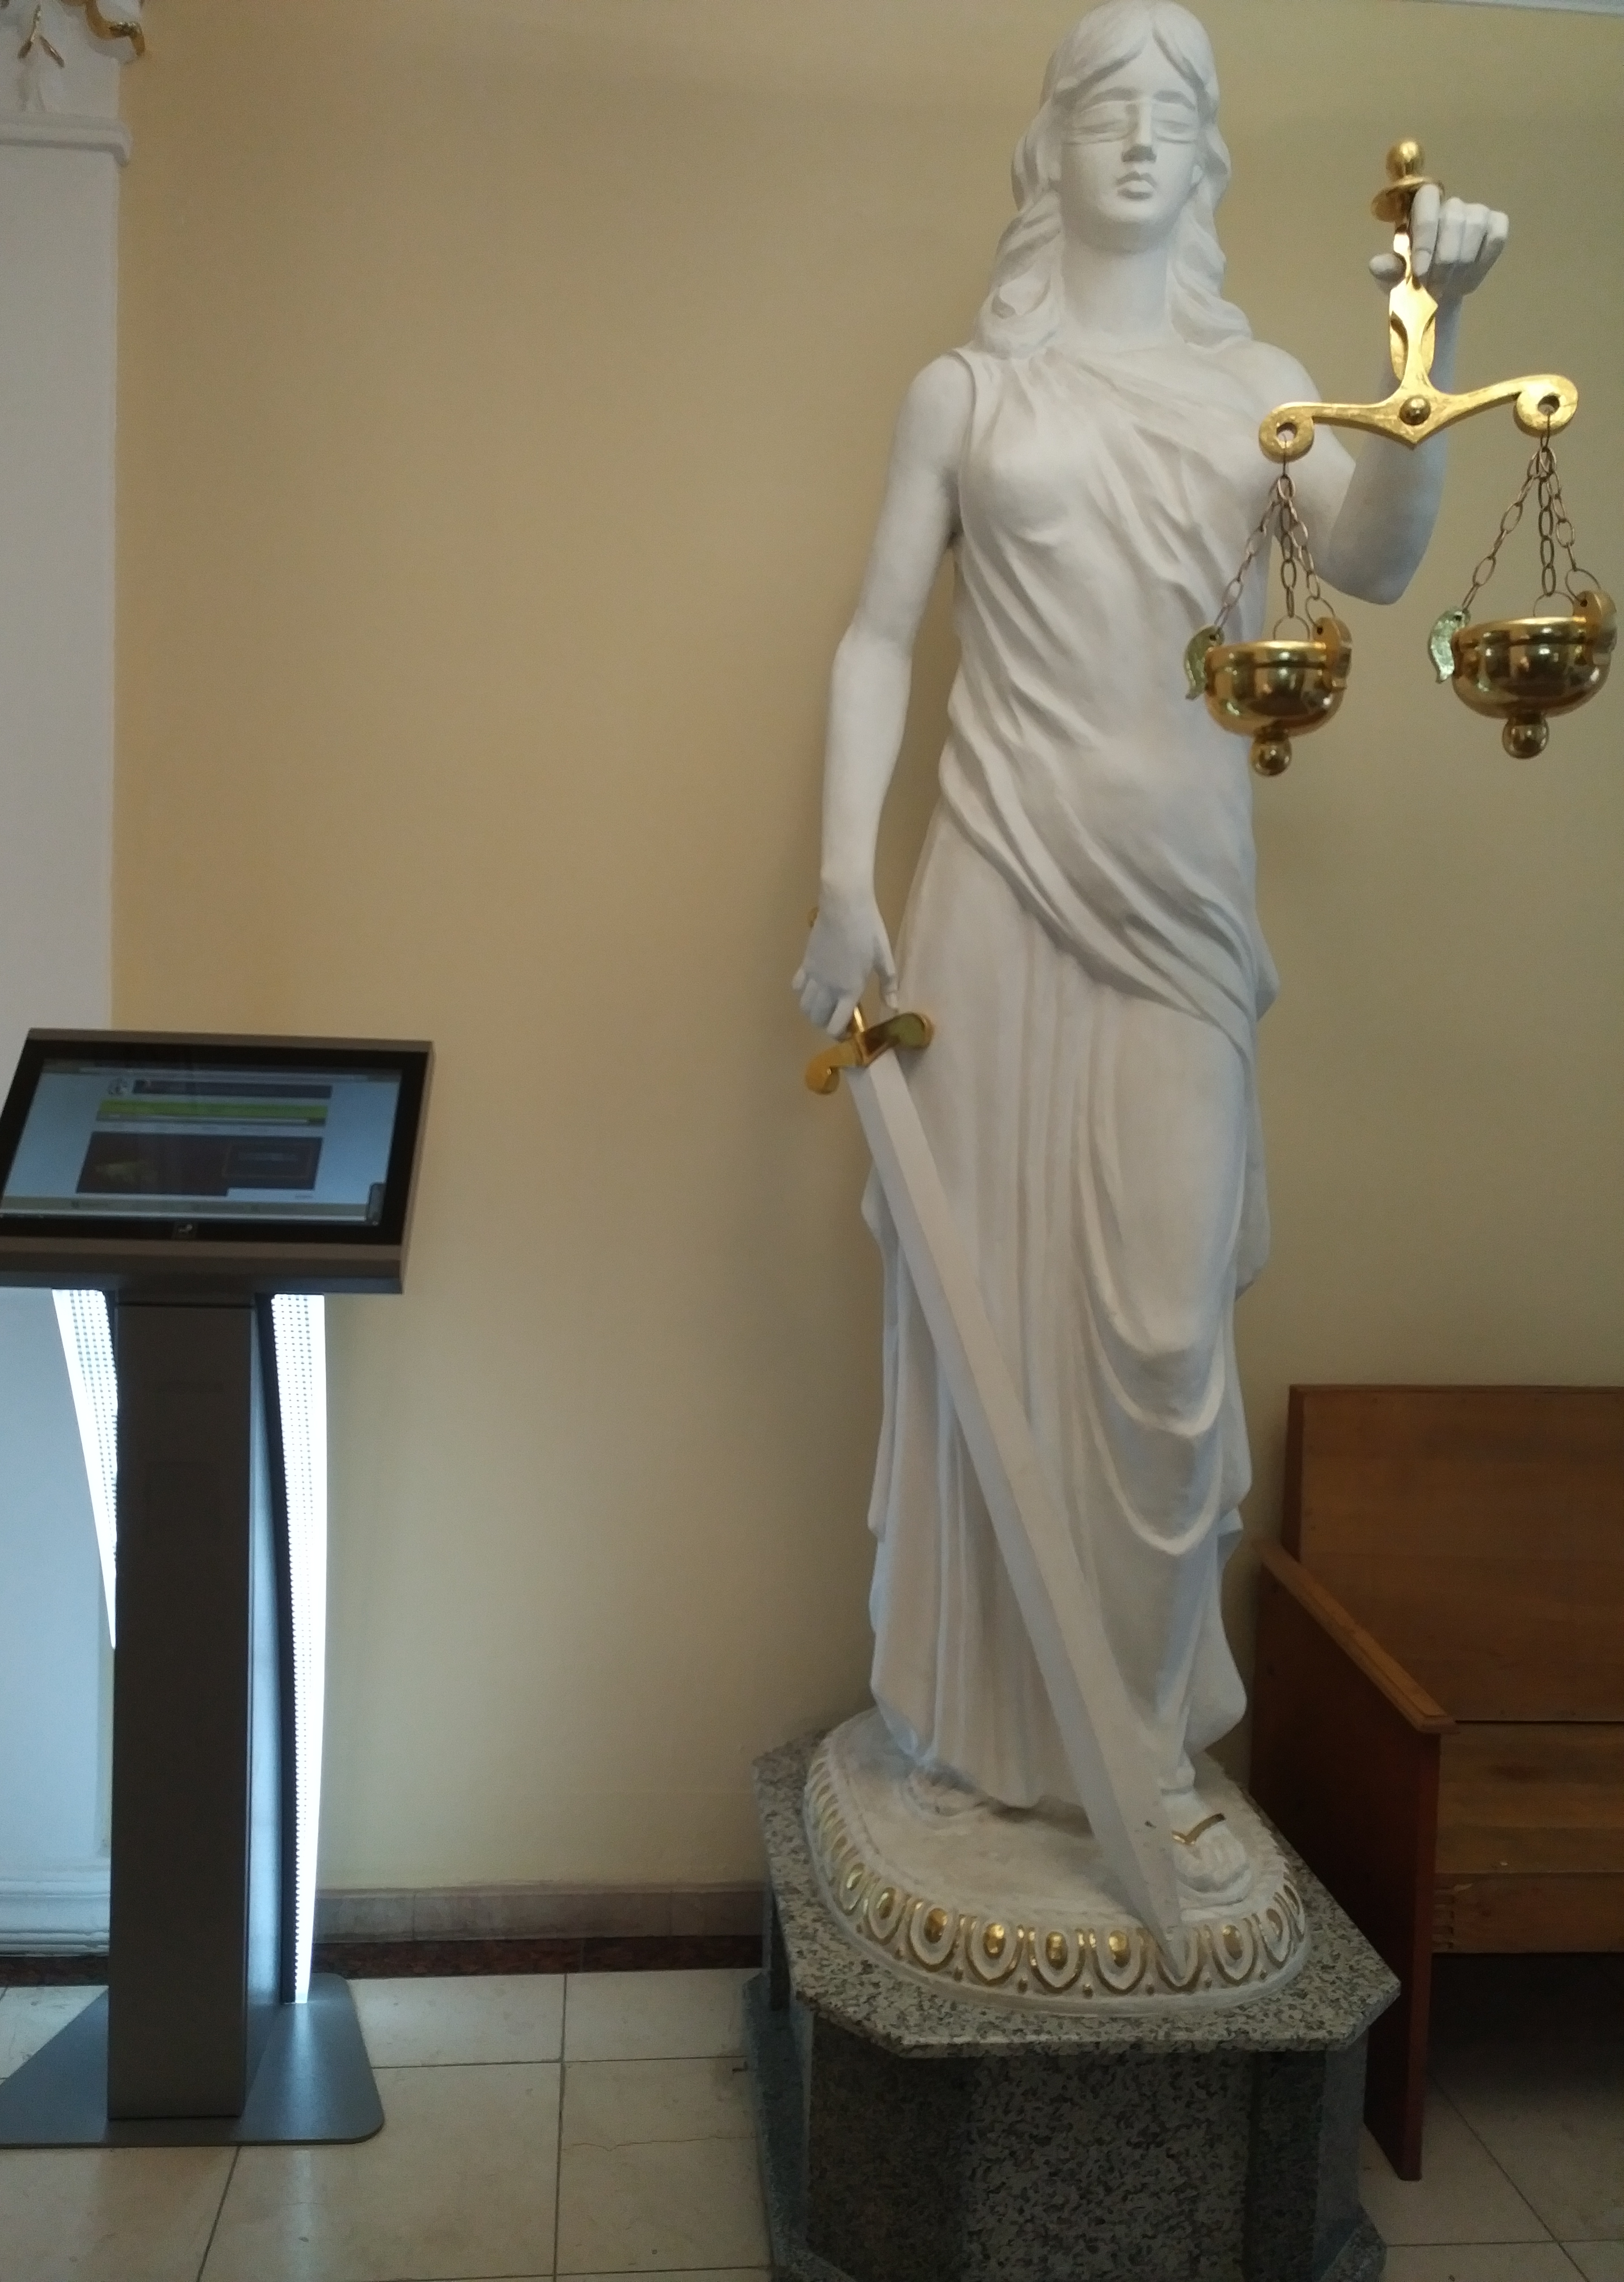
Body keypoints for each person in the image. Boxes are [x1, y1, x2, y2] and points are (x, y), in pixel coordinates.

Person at [793, 0, 1505, 1899]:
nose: (1136, 135)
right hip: (991, 893)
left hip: (1178, 903)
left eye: (1173, 111)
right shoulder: (968, 393)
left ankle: (1137, 1736)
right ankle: (979, 1739)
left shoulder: (1259, 385)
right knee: (982, 1325)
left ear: (1206, 159)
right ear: (1051, 146)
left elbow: (1373, 560)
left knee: (1162, 1336)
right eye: (1106, 102)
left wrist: (1423, 361)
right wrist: (846, 879)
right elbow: (877, 636)